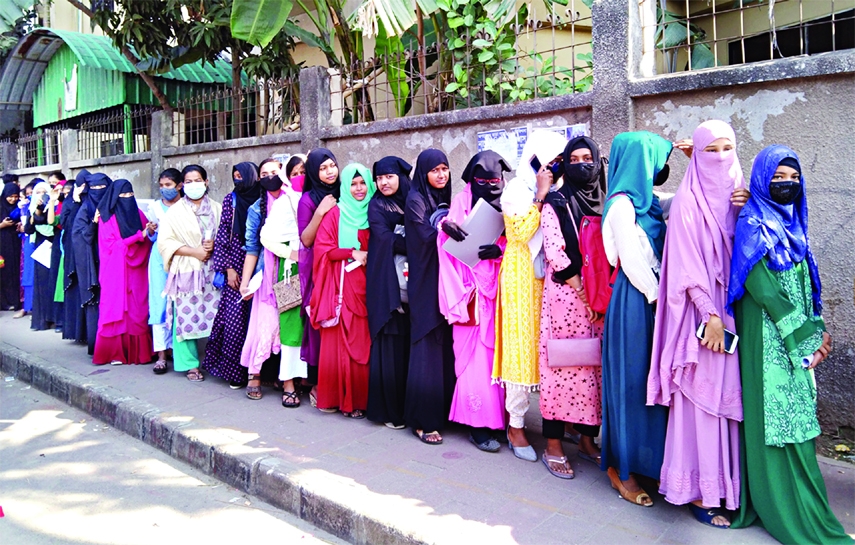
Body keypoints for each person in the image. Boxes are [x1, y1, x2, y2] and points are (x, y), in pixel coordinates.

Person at [727, 145, 852, 543]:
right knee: (775, 423)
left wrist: (817, 332)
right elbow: (763, 289)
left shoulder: (794, 223)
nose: (787, 185)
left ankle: (805, 504)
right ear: (763, 180)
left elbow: (805, 286)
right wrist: (803, 339)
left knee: (799, 421)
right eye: (778, 178)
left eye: (794, 178)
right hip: (768, 339)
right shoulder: (752, 222)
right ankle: (779, 507)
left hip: (796, 336)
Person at [647, 121, 747, 526]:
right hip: (703, 319)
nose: (721, 157)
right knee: (701, 404)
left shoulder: (742, 193)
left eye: (728, 148)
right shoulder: (688, 202)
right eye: (711, 150)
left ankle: (727, 488)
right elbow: (688, 266)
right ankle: (700, 493)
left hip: (737, 312)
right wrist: (710, 315)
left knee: (727, 404)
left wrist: (748, 205)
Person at [600, 131, 672, 506]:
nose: (661, 169)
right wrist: (660, 300)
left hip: (654, 302)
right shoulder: (622, 206)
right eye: (656, 161)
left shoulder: (650, 203)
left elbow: (697, 198)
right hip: (636, 300)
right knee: (631, 385)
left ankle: (648, 461)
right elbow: (631, 260)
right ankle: (621, 470)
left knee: (654, 388)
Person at [493, 130, 567, 462]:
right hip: (521, 276)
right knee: (521, 348)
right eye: (548, 162)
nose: (553, 168)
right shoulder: (516, 190)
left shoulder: (560, 189)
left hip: (548, 276)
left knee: (547, 347)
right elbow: (520, 232)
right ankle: (516, 425)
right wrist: (540, 193)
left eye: (557, 163)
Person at [538, 135, 608, 479]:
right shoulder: (556, 200)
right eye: (575, 158)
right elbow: (555, 251)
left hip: (598, 299)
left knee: (593, 370)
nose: (583, 163)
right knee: (563, 368)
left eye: (588, 157)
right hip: (568, 296)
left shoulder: (605, 199)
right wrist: (585, 294)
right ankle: (553, 444)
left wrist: (598, 297)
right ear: (565, 162)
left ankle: (586, 440)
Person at [437, 151, 511, 452]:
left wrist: (502, 250)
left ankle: (500, 421)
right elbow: (447, 246)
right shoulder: (461, 201)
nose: (490, 186)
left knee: (498, 360)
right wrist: (444, 228)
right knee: (473, 362)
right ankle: (476, 424)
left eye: (495, 181)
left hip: (501, 292)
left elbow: (521, 242)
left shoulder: (509, 201)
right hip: (469, 294)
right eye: (483, 181)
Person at [309, 163, 375, 417]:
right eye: (353, 184)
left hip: (370, 286)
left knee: (363, 344)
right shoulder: (336, 213)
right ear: (345, 187)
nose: (359, 189)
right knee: (341, 344)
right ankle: (339, 399)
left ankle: (359, 400)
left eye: (362, 183)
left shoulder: (376, 209)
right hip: (343, 286)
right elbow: (322, 249)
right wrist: (351, 252)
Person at [239, 158, 304, 402]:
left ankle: (288, 379)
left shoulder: (296, 199)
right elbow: (253, 247)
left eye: (274, 172)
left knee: (289, 326)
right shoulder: (258, 208)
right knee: (264, 327)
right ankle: (254, 374)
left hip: (291, 275)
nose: (269, 177)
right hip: (267, 278)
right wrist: (246, 283)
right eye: (264, 173)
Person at [404, 149, 456, 444]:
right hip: (426, 284)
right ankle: (423, 419)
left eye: (444, 169)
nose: (440, 175)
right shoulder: (416, 199)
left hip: (447, 283)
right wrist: (446, 228)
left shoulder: (446, 199)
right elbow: (425, 236)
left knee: (445, 347)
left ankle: (444, 411)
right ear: (423, 172)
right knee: (426, 346)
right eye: (434, 170)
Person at [158, 165, 222, 382]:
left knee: (216, 315)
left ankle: (216, 362)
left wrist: (214, 245)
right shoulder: (175, 211)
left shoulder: (217, 208)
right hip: (186, 269)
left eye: (198, 180)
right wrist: (194, 252)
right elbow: (165, 242)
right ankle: (190, 365)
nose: (194, 185)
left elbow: (226, 235)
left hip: (212, 271)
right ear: (182, 185)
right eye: (189, 181)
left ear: (206, 182)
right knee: (185, 317)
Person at [202, 162, 259, 387]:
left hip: (260, 264)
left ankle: (260, 374)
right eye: (235, 176)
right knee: (234, 322)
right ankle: (235, 374)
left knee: (259, 322)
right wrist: (228, 269)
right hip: (234, 265)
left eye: (242, 176)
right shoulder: (230, 200)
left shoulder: (264, 197)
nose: (238, 181)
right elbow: (223, 234)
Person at [366, 156, 412, 429]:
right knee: (390, 343)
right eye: (379, 178)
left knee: (407, 345)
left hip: (412, 281)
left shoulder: (411, 198)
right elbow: (386, 239)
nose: (383, 182)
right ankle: (390, 410)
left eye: (389, 177)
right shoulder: (376, 205)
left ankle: (407, 407)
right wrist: (416, 240)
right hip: (386, 282)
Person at [259, 161, 306, 408]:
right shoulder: (284, 202)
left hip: (318, 267)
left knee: (313, 322)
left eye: (303, 172)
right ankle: (287, 381)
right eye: (294, 173)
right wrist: (290, 254)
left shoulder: (320, 196)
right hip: (291, 270)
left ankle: (308, 380)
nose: (299, 177)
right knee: (290, 323)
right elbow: (265, 236)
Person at [92, 179, 152, 365]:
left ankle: (139, 354)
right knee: (115, 308)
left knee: (138, 309)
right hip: (115, 271)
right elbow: (110, 246)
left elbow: (147, 241)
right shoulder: (106, 217)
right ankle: (115, 353)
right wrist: (138, 236)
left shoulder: (139, 214)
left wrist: (149, 232)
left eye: (130, 195)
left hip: (137, 270)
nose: (127, 198)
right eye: (123, 195)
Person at [297, 149, 340, 408]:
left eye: (332, 165)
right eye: (323, 168)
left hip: (342, 266)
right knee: (319, 324)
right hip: (318, 270)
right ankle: (317, 382)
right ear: (314, 172)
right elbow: (305, 239)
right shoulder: (308, 200)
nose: (330, 171)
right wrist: (321, 212)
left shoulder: (344, 190)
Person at [147, 169, 183, 374]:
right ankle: (161, 353)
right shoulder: (154, 207)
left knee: (180, 303)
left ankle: (177, 350)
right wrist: (151, 230)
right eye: (161, 185)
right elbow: (152, 238)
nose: (164, 189)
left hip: (182, 257)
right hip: (159, 258)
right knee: (159, 303)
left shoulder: (187, 206)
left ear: (179, 186)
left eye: (168, 185)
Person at [72, 173, 112, 354]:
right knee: (95, 301)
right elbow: (81, 237)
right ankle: (97, 345)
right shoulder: (84, 209)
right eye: (93, 188)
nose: (97, 192)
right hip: (92, 261)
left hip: (113, 259)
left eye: (101, 188)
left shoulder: (115, 204)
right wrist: (95, 223)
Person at [59, 170, 91, 343]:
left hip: (91, 251)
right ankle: (77, 331)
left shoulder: (95, 199)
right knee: (76, 287)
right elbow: (66, 224)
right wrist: (75, 202)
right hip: (73, 251)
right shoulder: (70, 201)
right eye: (81, 185)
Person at [26, 180, 58, 331]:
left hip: (53, 244)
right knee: (41, 283)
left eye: (44, 192)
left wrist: (45, 206)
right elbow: (29, 229)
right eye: (37, 192)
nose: (41, 195)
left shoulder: (54, 206)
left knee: (53, 281)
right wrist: (35, 211)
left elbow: (50, 223)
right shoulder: (31, 208)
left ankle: (54, 318)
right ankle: (42, 320)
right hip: (40, 247)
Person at [46, 172, 67, 332]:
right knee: (59, 283)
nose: (62, 195)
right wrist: (52, 200)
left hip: (74, 248)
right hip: (61, 246)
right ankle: (59, 321)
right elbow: (52, 221)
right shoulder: (60, 207)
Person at [0, 181, 22, 310]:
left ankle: (14, 301)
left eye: (16, 196)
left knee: (14, 272)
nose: (13, 199)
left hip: (14, 244)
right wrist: (2, 225)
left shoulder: (19, 207)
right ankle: (3, 302)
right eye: (10, 196)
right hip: (2, 245)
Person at [16, 182, 36, 319]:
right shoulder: (24, 206)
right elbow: (14, 216)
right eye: (27, 194)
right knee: (27, 275)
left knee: (37, 276)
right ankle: (27, 307)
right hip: (27, 243)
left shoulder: (44, 206)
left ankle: (36, 308)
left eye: (32, 193)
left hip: (40, 242)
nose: (29, 197)